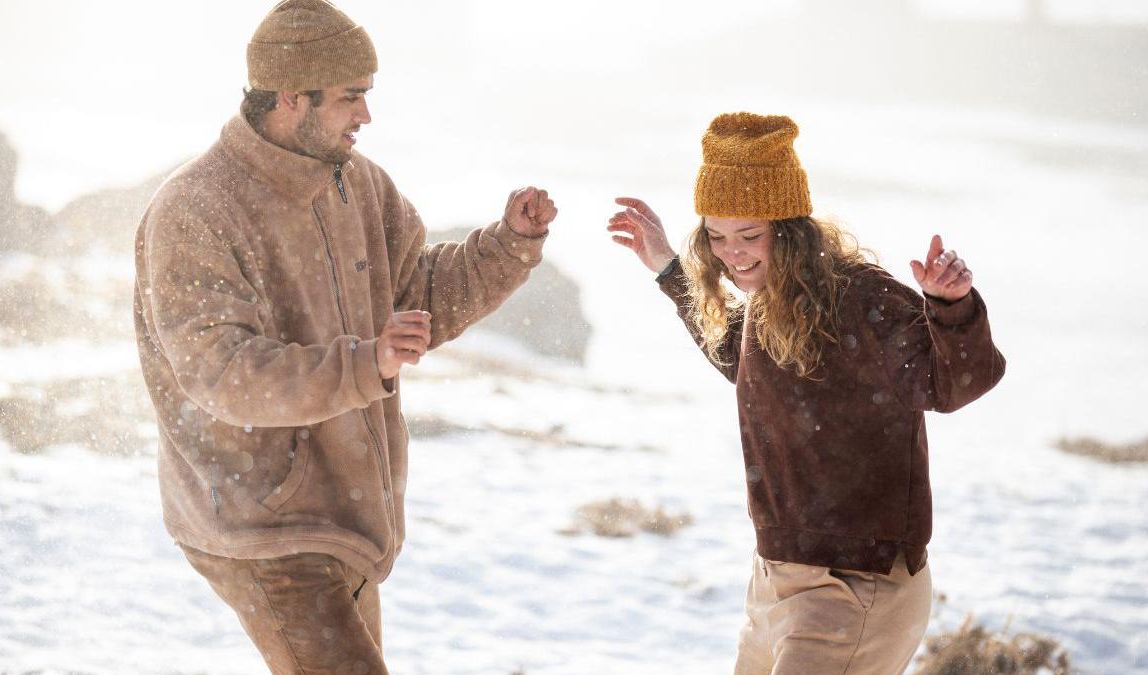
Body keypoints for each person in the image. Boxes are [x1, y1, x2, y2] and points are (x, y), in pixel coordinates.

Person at [132, 1, 556, 672]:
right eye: (352, 97)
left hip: (344, 519)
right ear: (292, 96)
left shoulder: (358, 183)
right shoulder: (195, 208)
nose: (366, 115)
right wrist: (368, 361)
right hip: (262, 525)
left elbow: (415, 294)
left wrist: (509, 246)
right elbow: (221, 372)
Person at [606, 112, 1005, 674]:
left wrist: (950, 306)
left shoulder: (862, 298)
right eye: (716, 237)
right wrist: (668, 267)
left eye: (750, 235)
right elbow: (735, 357)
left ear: (790, 230)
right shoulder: (768, 303)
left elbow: (955, 383)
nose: (733, 254)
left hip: (854, 587)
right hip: (774, 582)